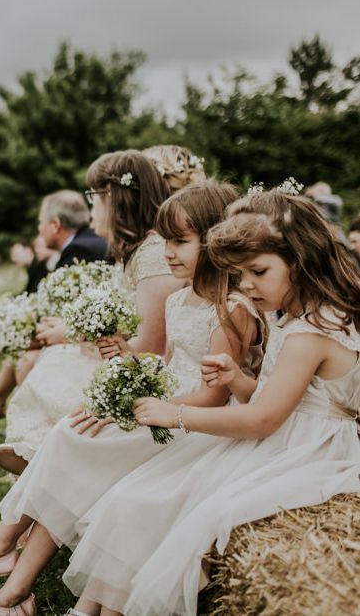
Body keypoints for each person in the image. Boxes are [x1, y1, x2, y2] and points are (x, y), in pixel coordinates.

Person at [0, 181, 264, 616]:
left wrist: (144, 411)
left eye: (181, 242)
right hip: (163, 407)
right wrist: (122, 371)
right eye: (166, 242)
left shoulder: (229, 308)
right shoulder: (180, 299)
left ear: (215, 240)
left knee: (80, 442)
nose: (169, 253)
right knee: (71, 430)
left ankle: (9, 571)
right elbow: (162, 361)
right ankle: (13, 578)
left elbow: (213, 399)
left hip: (193, 425)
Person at [60, 189, 360, 616]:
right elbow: (271, 398)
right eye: (239, 274)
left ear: (300, 258)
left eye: (259, 270)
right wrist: (239, 379)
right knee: (137, 496)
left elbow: (262, 420)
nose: (247, 284)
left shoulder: (311, 331)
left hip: (306, 450)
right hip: (282, 437)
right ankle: (92, 610)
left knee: (166, 506)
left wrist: (177, 414)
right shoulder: (291, 314)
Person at [0, 151, 186, 474]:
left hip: (147, 370)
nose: (90, 208)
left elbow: (151, 347)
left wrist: (81, 339)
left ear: (113, 200)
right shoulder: (133, 252)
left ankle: (46, 461)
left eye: (93, 197)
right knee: (52, 360)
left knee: (56, 366)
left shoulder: (154, 256)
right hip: (124, 356)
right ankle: (42, 462)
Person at [0, 191, 107, 420]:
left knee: (28, 353)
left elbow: (64, 306)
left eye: (40, 223)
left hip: (91, 334)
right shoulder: (84, 243)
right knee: (26, 344)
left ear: (55, 225)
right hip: (81, 326)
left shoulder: (81, 249)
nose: (39, 230)